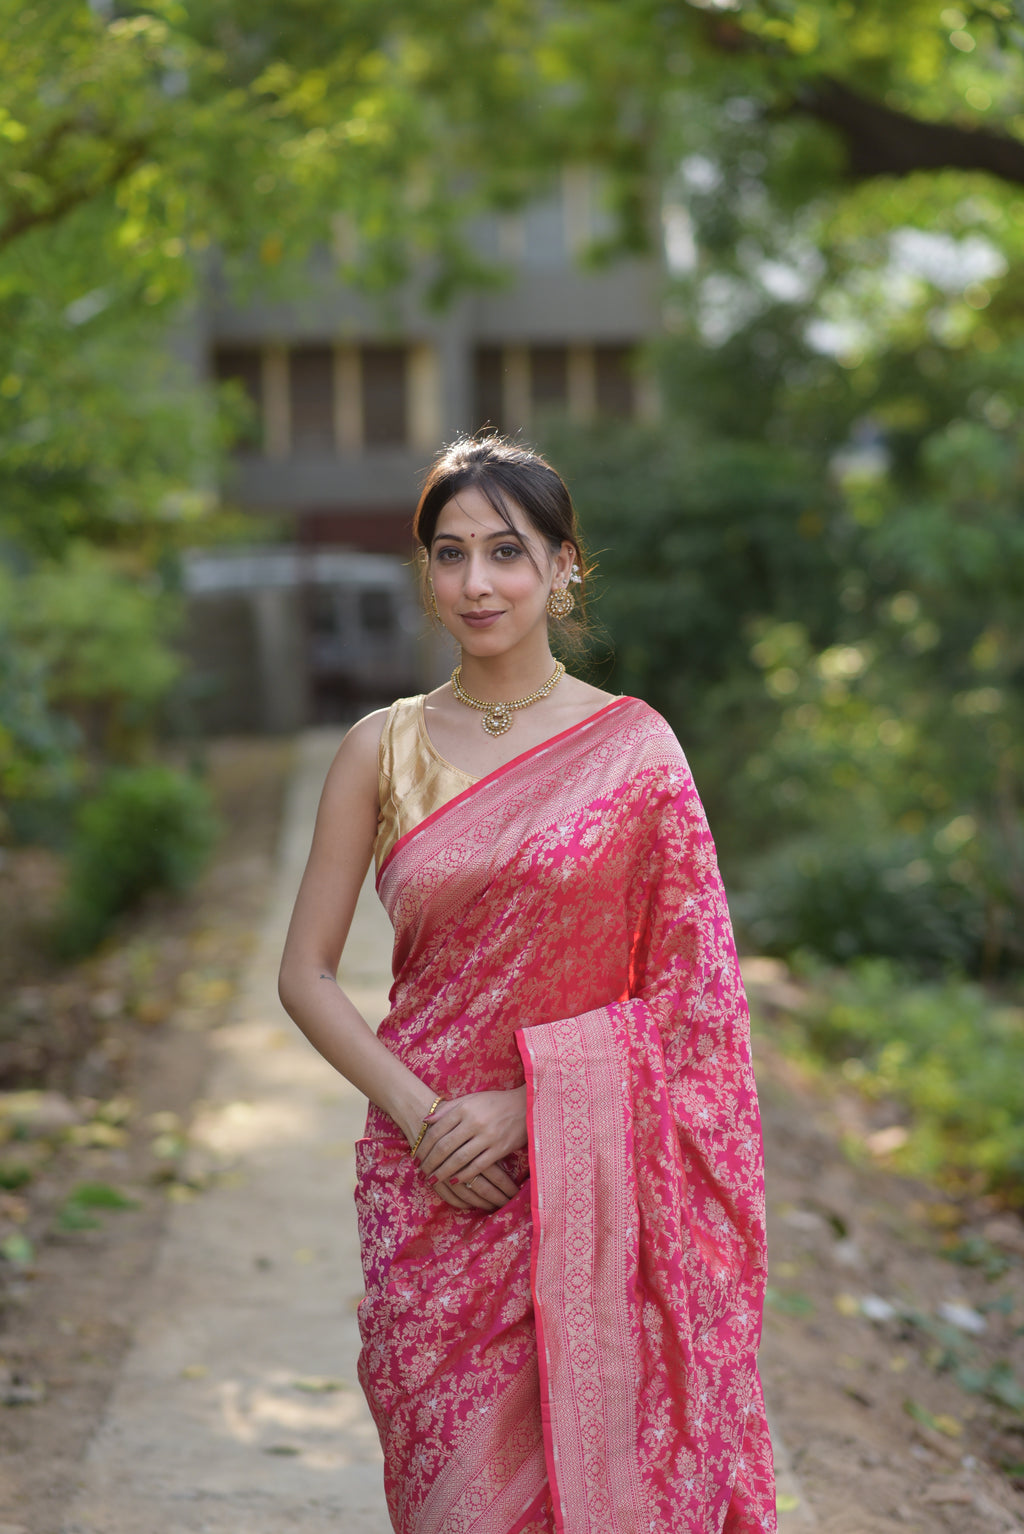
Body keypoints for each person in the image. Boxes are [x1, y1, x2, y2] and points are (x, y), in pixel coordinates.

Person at [278, 435, 776, 1534]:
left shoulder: (635, 750)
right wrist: (424, 1123)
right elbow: (305, 972)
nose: (476, 582)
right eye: (449, 554)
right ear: (427, 574)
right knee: (450, 1484)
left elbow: (697, 1002)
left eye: (507, 551)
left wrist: (533, 1107)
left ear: (563, 566)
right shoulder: (381, 748)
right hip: (428, 1186)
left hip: (583, 1177)